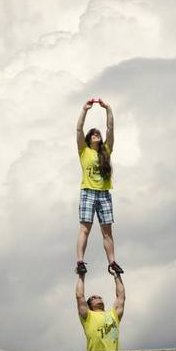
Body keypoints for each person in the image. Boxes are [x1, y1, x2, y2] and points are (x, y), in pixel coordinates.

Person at [75, 98, 124, 275]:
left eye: (98, 133)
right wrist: (85, 109)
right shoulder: (84, 150)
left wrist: (108, 109)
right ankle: (80, 261)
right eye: (93, 133)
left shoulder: (106, 150)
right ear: (88, 139)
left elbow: (111, 128)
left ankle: (112, 262)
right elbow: (79, 129)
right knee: (85, 228)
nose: (97, 134)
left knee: (107, 231)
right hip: (88, 192)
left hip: (104, 193)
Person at [76, 268, 125, 351]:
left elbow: (121, 296)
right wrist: (81, 275)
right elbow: (80, 296)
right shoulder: (88, 316)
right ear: (89, 305)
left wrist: (116, 275)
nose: (97, 298)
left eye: (99, 297)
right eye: (93, 298)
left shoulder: (113, 314)